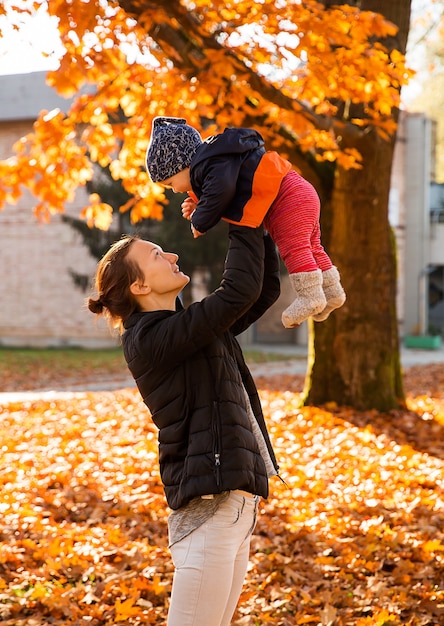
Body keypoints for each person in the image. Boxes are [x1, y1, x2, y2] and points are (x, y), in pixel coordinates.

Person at [87, 222, 281, 626]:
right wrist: (240, 219)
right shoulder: (149, 339)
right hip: (209, 511)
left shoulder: (191, 331)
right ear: (139, 287)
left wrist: (259, 224)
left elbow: (261, 291)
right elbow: (237, 294)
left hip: (236, 505)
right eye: (157, 255)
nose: (172, 255)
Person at [146, 116, 346, 328]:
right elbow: (224, 189)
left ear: (183, 163)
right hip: (299, 190)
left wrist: (200, 219)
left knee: (293, 247)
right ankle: (332, 292)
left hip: (286, 200)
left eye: (170, 183)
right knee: (313, 246)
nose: (175, 190)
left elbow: (220, 192)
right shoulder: (217, 160)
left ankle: (310, 297)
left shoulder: (211, 164)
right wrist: (198, 203)